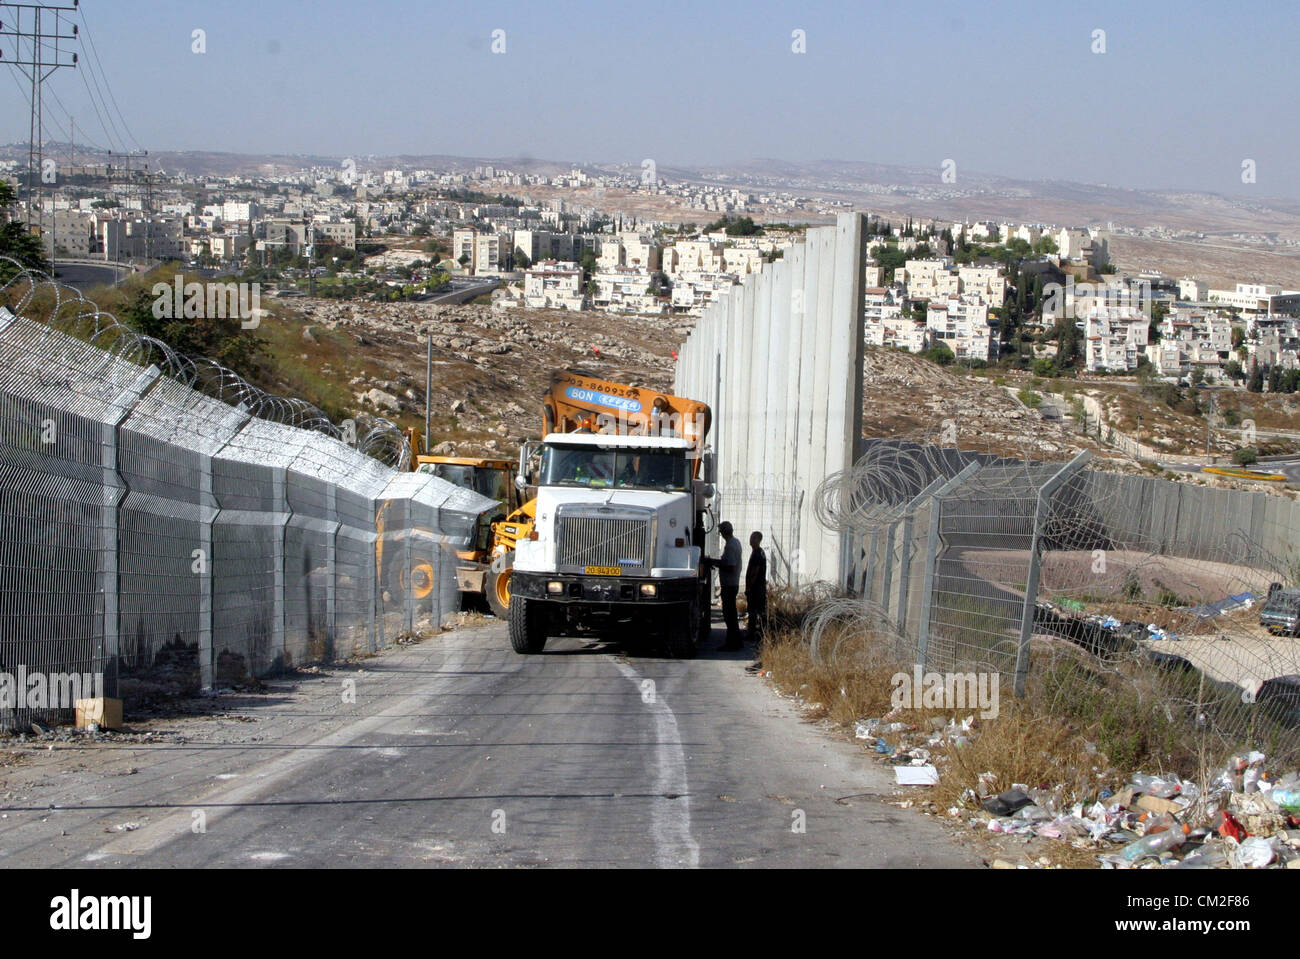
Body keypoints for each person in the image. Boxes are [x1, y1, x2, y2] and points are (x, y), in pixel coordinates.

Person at [704, 521, 743, 650]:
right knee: (731, 614)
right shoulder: (735, 542)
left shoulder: (731, 546)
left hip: (729, 584)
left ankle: (732, 643)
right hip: (732, 583)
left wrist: (715, 563)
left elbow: (730, 566)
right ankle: (735, 641)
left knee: (729, 615)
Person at [745, 530, 767, 647]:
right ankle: (754, 632)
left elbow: (755, 571)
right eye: (751, 537)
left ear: (758, 540)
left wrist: (750, 586)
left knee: (755, 611)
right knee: (754, 611)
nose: (751, 540)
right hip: (757, 587)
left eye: (754, 538)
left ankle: (755, 633)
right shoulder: (756, 552)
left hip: (756, 588)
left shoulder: (758, 553)